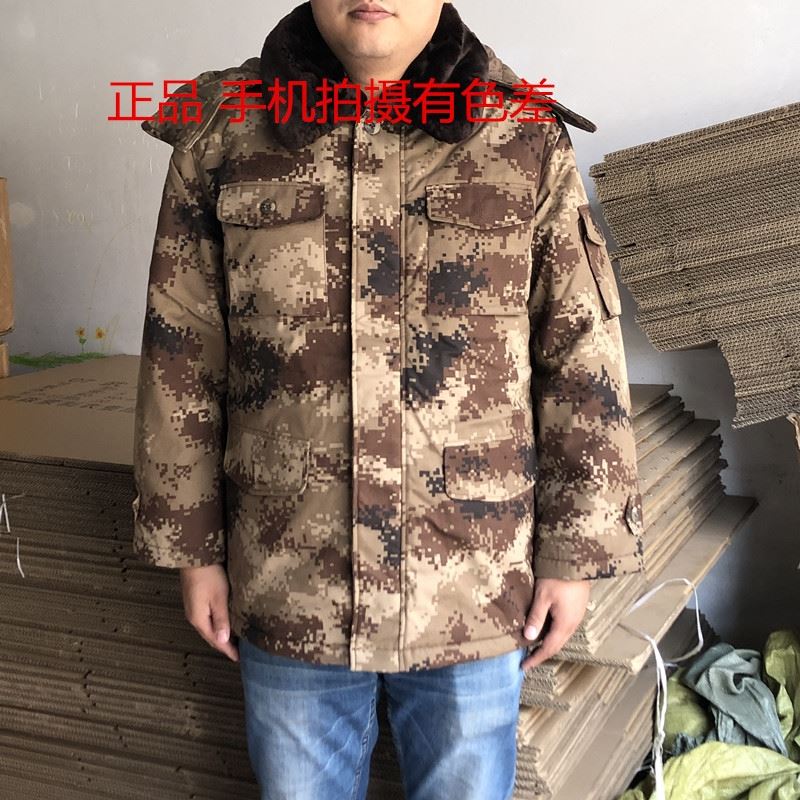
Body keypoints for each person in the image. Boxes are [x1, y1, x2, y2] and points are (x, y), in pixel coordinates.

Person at [131, 1, 646, 797]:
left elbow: (580, 354)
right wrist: (193, 550)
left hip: (473, 581)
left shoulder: (521, 135)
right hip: (289, 573)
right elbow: (183, 355)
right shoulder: (226, 133)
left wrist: (574, 555)